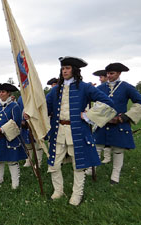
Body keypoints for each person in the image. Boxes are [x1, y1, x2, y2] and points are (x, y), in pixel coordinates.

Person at [46, 56, 116, 206]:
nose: (64, 71)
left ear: (74, 70)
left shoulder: (85, 87)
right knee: (54, 164)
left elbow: (109, 103)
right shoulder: (55, 90)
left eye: (67, 68)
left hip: (77, 132)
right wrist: (30, 114)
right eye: (63, 68)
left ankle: (77, 194)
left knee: (79, 164)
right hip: (58, 132)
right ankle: (58, 190)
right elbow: (44, 108)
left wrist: (87, 116)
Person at [94, 62, 141, 184]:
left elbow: (139, 102)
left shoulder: (127, 87)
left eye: (112, 73)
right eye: (107, 73)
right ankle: (91, 169)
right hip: (103, 123)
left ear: (119, 73)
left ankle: (115, 175)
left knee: (118, 150)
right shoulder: (100, 88)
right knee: (97, 146)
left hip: (120, 123)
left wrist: (125, 117)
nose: (108, 76)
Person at [0, 83, 27, 189]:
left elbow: (16, 122)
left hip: (10, 138)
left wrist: (1, 129)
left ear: (8, 93)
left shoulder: (14, 106)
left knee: (12, 161)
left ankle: (15, 183)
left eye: (3, 92)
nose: (1, 94)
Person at [17, 95, 43, 167]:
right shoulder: (20, 98)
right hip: (24, 125)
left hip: (35, 123)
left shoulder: (35, 96)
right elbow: (19, 110)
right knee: (27, 144)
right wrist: (21, 121)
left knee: (37, 144)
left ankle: (38, 163)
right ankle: (28, 161)